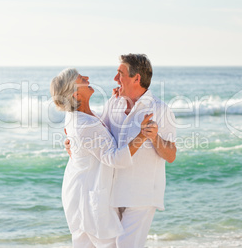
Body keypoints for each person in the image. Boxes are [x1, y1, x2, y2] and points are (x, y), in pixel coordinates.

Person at [66, 54, 177, 247]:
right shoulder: (113, 103)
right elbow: (101, 136)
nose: (115, 79)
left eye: (120, 74)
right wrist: (75, 143)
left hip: (141, 194)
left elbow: (171, 155)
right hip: (111, 194)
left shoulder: (160, 109)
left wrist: (154, 137)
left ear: (136, 78)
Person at [50, 68, 154, 248]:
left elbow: (97, 137)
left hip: (81, 194)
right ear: (76, 94)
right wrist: (142, 135)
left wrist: (113, 102)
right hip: (89, 201)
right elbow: (115, 159)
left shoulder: (80, 116)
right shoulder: (85, 124)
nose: (87, 78)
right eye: (81, 79)